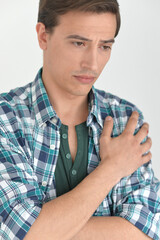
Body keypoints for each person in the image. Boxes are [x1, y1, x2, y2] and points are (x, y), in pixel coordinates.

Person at [0, 0, 160, 239]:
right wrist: (112, 169)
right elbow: (22, 232)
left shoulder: (125, 119)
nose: (92, 64)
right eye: (79, 43)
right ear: (43, 36)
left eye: (105, 47)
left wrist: (48, 229)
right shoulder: (6, 118)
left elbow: (146, 231)